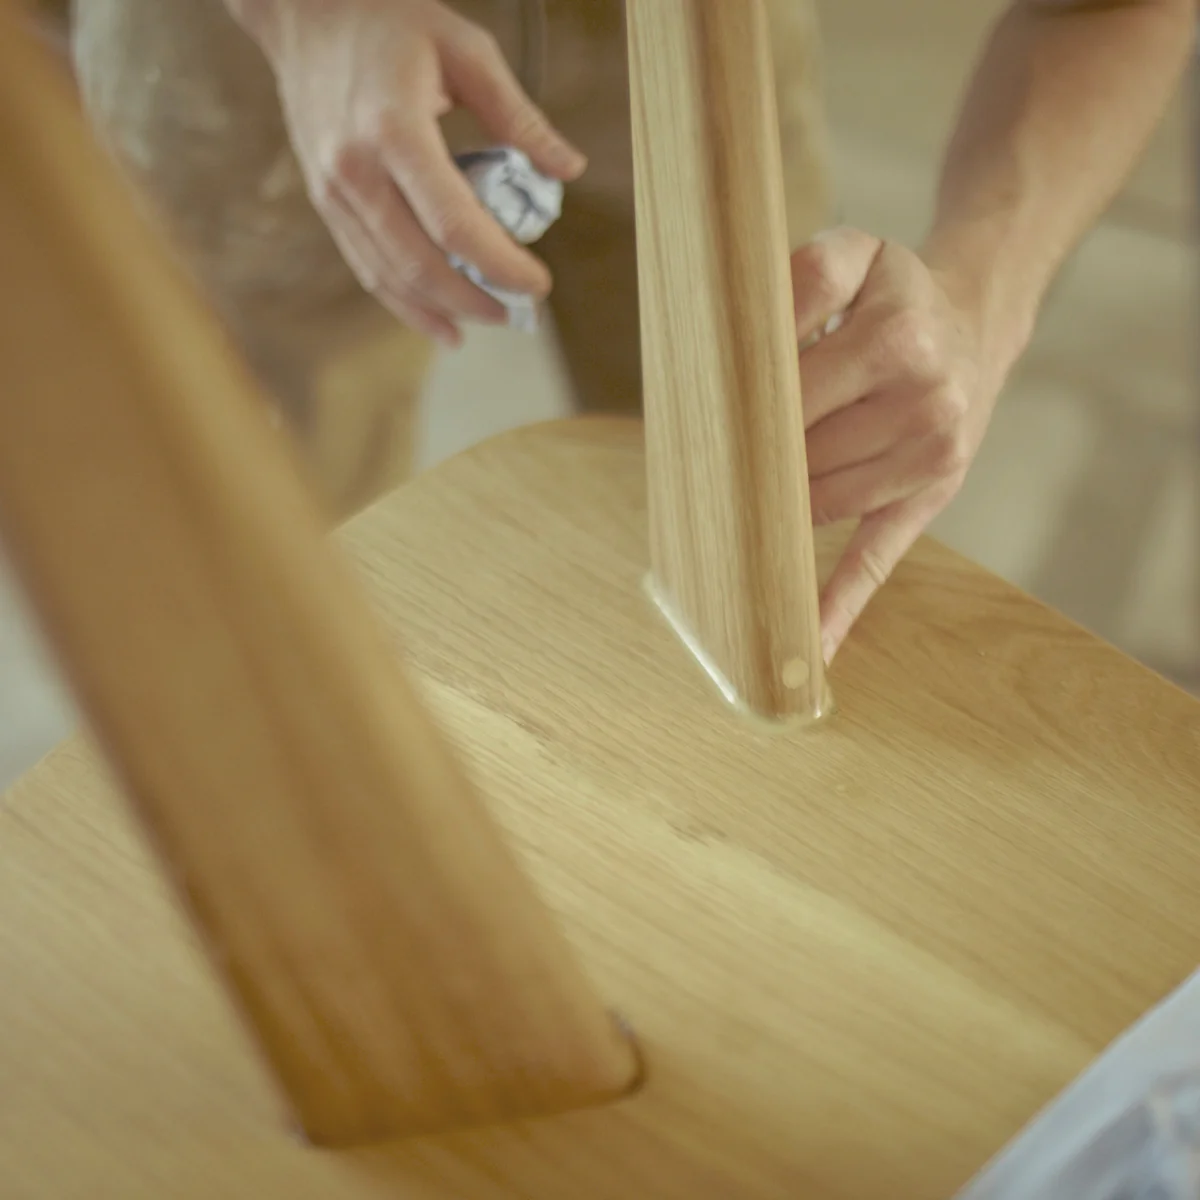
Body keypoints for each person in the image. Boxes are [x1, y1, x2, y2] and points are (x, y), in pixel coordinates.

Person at [66, 0, 1192, 664]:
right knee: (262, 550)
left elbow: (1111, 6)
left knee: (779, 503)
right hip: (253, 42)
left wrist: (976, 297)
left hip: (703, 43)